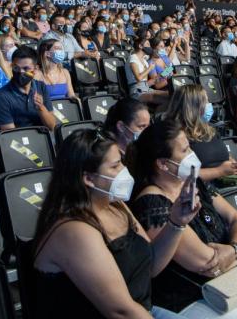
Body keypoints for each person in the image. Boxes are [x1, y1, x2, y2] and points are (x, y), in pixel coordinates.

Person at [129, 121, 237, 318]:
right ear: (163, 164)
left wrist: (234, 249)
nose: (191, 154)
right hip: (190, 298)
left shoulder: (194, 182)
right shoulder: (153, 203)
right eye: (185, 150)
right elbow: (206, 264)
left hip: (228, 284)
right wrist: (235, 251)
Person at [32, 129, 198, 319]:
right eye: (115, 166)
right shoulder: (73, 230)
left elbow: (149, 266)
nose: (124, 171)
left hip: (142, 311)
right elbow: (120, 312)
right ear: (88, 179)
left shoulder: (115, 205)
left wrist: (176, 222)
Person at [160, 85, 237, 185]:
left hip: (229, 182)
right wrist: (220, 171)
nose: (209, 105)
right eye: (206, 102)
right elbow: (182, 175)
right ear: (192, 107)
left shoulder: (209, 129)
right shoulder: (178, 137)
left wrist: (235, 165)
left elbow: (225, 156)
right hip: (204, 190)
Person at [0, 45, 58, 131]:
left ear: (35, 69)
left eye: (26, 68)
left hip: (44, 139)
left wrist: (41, 107)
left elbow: (52, 126)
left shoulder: (41, 86)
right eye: (16, 68)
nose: (20, 71)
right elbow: (10, 133)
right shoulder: (1, 96)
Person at [127, 38, 171, 107]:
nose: (150, 47)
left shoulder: (144, 61)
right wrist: (149, 68)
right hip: (136, 91)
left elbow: (151, 82)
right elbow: (138, 78)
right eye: (147, 44)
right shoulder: (133, 58)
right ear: (140, 46)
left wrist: (167, 72)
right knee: (164, 100)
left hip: (146, 88)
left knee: (170, 94)